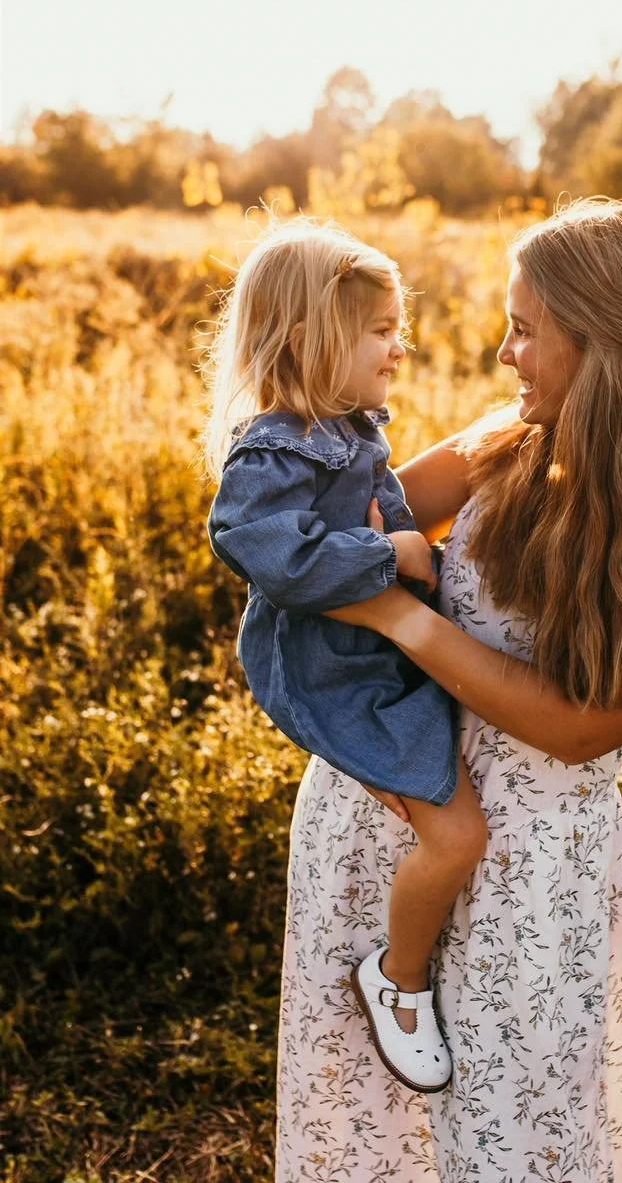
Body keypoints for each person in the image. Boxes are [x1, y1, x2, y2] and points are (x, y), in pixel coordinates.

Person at [273, 198, 622, 1182]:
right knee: (362, 1131)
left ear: (600, 346)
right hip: (385, 814)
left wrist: (397, 615)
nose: (503, 352)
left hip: (535, 870)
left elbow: (577, 727)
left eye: (524, 328)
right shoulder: (509, 443)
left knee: (519, 1144)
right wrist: (306, 360)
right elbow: (330, 522)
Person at [202, 216, 494, 1095]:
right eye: (379, 331)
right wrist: (392, 559)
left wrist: (429, 569)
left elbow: (392, 511)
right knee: (458, 836)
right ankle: (398, 981)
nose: (399, 350)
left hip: (377, 650)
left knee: (456, 802)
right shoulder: (275, 446)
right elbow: (260, 547)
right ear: (308, 341)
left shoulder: (355, 429)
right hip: (334, 669)